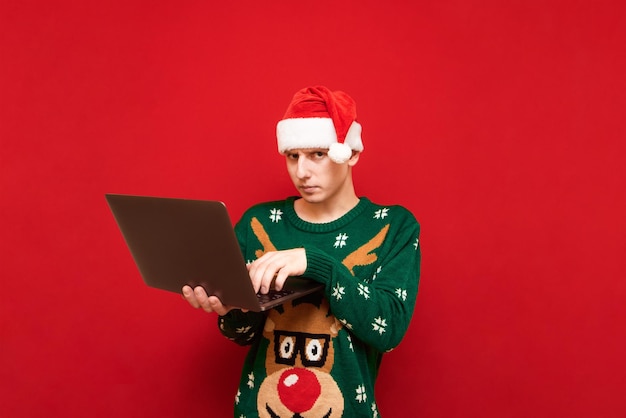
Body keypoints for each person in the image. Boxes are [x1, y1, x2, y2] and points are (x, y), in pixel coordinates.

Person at [182, 86, 421, 417]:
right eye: (293, 156)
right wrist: (227, 309)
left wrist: (316, 263)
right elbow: (245, 334)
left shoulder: (393, 226)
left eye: (317, 155)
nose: (302, 172)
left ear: (350, 153)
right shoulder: (258, 223)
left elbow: (389, 329)